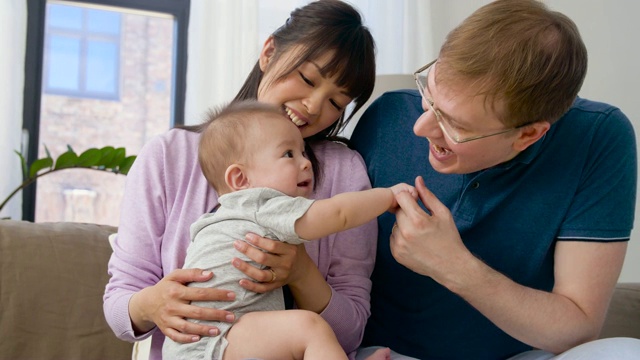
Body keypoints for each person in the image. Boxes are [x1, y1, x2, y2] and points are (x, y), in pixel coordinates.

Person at [349, 0, 640, 359]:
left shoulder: (599, 137)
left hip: (516, 355)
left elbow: (577, 328)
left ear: (528, 135)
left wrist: (452, 265)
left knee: (627, 352)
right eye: (429, 94)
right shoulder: (386, 117)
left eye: (455, 124)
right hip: (386, 353)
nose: (419, 128)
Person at [103, 1, 378, 359]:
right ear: (269, 52)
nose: (312, 105)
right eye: (307, 78)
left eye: (336, 102)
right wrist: (153, 304)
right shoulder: (170, 157)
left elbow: (352, 330)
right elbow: (120, 306)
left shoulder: (345, 174)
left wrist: (300, 272)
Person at [163, 101, 406, 360]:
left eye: (303, 152)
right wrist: (389, 196)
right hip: (213, 341)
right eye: (289, 154)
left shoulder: (220, 218)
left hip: (213, 340)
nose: (306, 163)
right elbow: (338, 214)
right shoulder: (260, 203)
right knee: (308, 328)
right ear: (241, 179)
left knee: (296, 339)